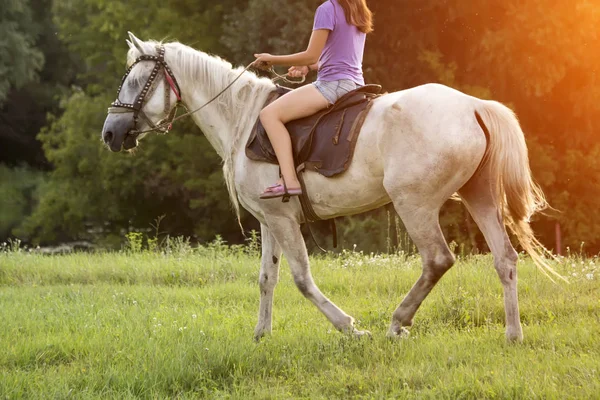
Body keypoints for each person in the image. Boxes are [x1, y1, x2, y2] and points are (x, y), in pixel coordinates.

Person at [254, 0, 374, 200]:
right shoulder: (358, 9)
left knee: (269, 115)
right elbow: (339, 56)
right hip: (355, 84)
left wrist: (271, 59)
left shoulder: (327, 9)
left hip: (332, 85)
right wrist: (308, 68)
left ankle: (289, 181)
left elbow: (310, 55)